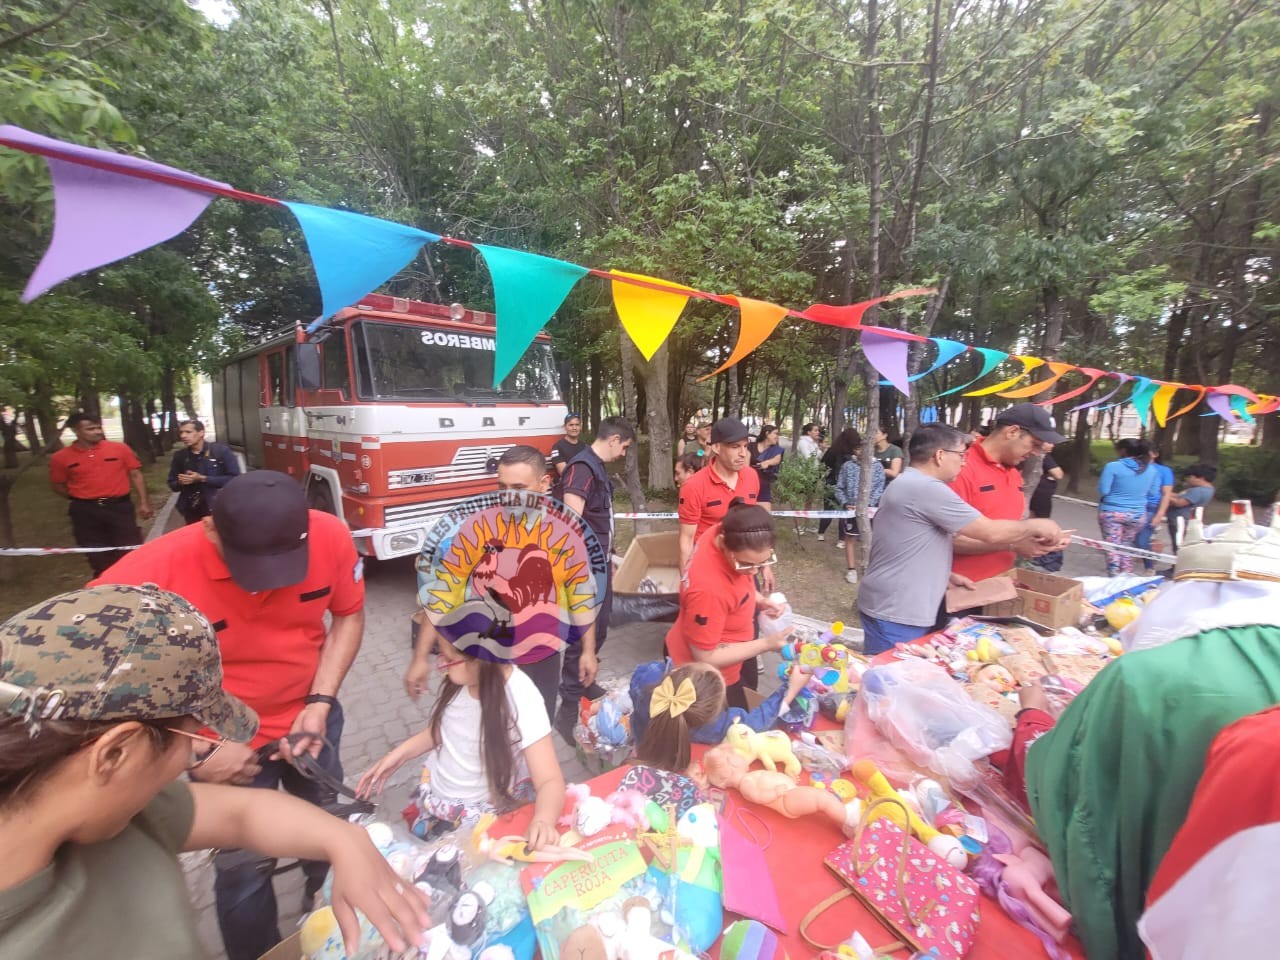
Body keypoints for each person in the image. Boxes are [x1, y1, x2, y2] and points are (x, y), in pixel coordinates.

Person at [0, 584, 429, 960]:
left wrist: (345, 838)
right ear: (115, 753)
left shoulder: (116, 812)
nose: (195, 752)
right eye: (192, 738)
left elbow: (240, 814)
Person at [91, 470, 365, 960]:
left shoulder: (331, 534)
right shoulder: (154, 569)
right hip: (221, 745)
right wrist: (195, 750)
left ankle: (321, 910)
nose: (266, 582)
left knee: (327, 824)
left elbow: (349, 614)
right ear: (211, 529)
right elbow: (92, 678)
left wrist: (320, 702)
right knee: (244, 870)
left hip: (310, 720)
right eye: (251, 565)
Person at [420, 445, 598, 726]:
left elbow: (581, 596)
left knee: (535, 729)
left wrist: (588, 651)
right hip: (486, 656)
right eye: (501, 486)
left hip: (542, 655)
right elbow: (444, 590)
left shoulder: (566, 534)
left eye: (518, 487)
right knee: (488, 734)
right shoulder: (477, 527)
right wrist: (421, 656)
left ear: (544, 484)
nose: (508, 496)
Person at [855, 424, 1065, 655]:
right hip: (897, 610)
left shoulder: (911, 483)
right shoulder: (925, 489)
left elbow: (908, 545)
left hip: (895, 602)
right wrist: (1035, 525)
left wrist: (944, 575)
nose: (964, 462)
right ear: (940, 455)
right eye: (961, 456)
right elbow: (989, 532)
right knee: (890, 681)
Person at [358, 633, 566, 850]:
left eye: (448, 659)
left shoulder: (521, 697)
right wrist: (398, 755)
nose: (442, 665)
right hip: (438, 806)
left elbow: (550, 781)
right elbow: (443, 730)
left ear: (480, 658)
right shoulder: (461, 681)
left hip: (477, 824)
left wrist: (543, 821)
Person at [550, 417, 635, 730]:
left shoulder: (595, 467)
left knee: (597, 630)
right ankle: (568, 707)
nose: (624, 453)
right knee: (581, 636)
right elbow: (572, 524)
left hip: (600, 564)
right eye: (624, 446)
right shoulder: (581, 468)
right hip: (585, 571)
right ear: (613, 439)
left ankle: (585, 684)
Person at [665, 502, 791, 708]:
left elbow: (740, 585)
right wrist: (767, 644)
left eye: (762, 564)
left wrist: (759, 600)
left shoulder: (721, 530)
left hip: (731, 656)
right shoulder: (708, 590)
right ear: (724, 543)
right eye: (747, 564)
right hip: (707, 676)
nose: (753, 572)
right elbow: (705, 656)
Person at [949, 404, 1069, 585]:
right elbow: (948, 539)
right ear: (1012, 432)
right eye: (1034, 444)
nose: (1036, 452)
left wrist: (1036, 540)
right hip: (960, 589)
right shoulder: (960, 468)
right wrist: (1013, 544)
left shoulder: (1012, 472)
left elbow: (1006, 523)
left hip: (1000, 584)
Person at [629, 660, 810, 773]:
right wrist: (791, 689)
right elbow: (756, 724)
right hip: (671, 766)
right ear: (712, 713)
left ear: (676, 672)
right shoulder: (714, 726)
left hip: (642, 752)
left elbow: (642, 674)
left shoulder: (646, 678)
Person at [48, 411, 155, 575]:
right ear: (76, 431)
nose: (97, 432)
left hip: (119, 508)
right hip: (86, 512)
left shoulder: (119, 449)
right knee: (98, 556)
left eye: (99, 428)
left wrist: (144, 502)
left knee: (130, 551)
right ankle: (106, 587)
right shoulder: (61, 457)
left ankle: (133, 586)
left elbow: (135, 475)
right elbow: (58, 485)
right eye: (91, 429)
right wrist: (80, 496)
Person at [676, 417, 762, 572]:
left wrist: (764, 566)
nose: (743, 453)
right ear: (716, 446)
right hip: (709, 566)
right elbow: (687, 539)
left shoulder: (751, 477)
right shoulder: (693, 485)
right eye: (735, 447)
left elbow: (752, 525)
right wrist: (686, 581)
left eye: (745, 446)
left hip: (744, 565)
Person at [1097, 438, 1161, 575]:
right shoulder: (1152, 470)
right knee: (1126, 546)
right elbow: (1153, 492)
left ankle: (1114, 578)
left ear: (1123, 451)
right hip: (1138, 515)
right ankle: (1127, 575)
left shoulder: (1113, 467)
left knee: (1112, 548)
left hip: (1112, 512)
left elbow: (1104, 490)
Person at [167, 419, 241, 524]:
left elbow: (235, 479)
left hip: (218, 507)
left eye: (188, 432)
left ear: (201, 432)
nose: (183, 436)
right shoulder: (180, 456)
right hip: (192, 510)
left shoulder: (220, 451)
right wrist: (181, 481)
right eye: (181, 432)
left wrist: (202, 478)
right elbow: (172, 484)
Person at [834, 433, 885, 583]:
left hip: (871, 510)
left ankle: (871, 567)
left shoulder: (877, 467)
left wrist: (870, 504)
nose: (861, 452)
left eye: (865, 449)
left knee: (872, 538)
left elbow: (879, 488)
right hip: (851, 510)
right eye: (857, 449)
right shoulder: (847, 466)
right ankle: (851, 569)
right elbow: (839, 488)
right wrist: (845, 503)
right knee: (850, 537)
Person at [1153, 462, 1217, 549]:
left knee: (1178, 544)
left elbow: (1179, 503)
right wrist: (1165, 492)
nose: (1188, 479)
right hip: (1182, 520)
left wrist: (1163, 496)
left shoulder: (1199, 491)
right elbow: (1178, 495)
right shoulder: (1207, 489)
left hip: (1181, 521)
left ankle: (1177, 560)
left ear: (1201, 478)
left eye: (1190, 477)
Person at [1134, 446, 1175, 569]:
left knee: (1142, 541)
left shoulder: (1164, 471)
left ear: (1155, 454)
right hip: (1132, 506)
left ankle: (1149, 567)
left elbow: (1166, 493)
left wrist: (1160, 514)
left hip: (1150, 508)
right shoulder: (1134, 468)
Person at [816, 427, 859, 543]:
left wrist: (822, 478)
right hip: (846, 487)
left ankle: (821, 533)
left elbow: (823, 465)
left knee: (827, 510)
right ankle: (841, 540)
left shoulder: (832, 450)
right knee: (844, 512)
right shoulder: (853, 455)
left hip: (830, 483)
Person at [748, 424, 784, 511]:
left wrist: (767, 462)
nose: (777, 437)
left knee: (765, 513)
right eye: (775, 434)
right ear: (767, 433)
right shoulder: (751, 446)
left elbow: (777, 459)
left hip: (763, 485)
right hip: (749, 482)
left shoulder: (776, 449)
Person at [547, 412, 586, 476]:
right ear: (565, 427)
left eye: (577, 425)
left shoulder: (585, 447)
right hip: (568, 484)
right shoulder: (557, 447)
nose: (574, 428)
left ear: (580, 427)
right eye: (571, 425)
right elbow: (564, 473)